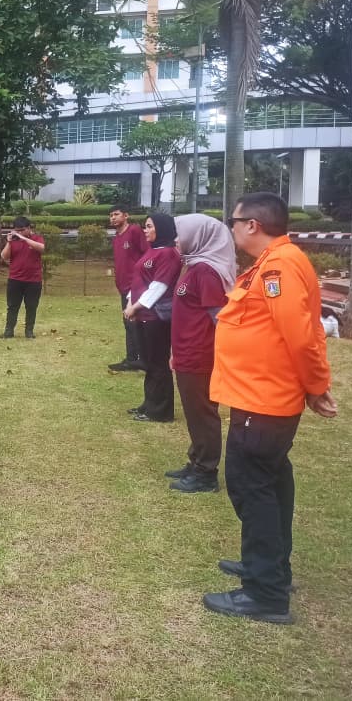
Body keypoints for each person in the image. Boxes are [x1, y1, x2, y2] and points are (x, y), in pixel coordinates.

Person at [202, 193, 336, 625]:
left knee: (252, 487)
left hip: (263, 401)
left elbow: (301, 336)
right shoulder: (272, 264)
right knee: (271, 483)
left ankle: (265, 593)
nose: (231, 227)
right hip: (258, 397)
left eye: (234, 220)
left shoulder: (280, 266)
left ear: (253, 225)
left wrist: (316, 386)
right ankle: (271, 568)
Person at [166, 214, 235, 494]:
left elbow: (220, 318)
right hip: (185, 353)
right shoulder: (193, 267)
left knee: (202, 413)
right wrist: (175, 351)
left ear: (197, 236)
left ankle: (206, 472)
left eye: (180, 234)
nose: (175, 240)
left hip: (199, 356)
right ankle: (196, 460)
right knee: (194, 412)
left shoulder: (206, 271)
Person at [123, 213, 183, 423]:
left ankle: (160, 411)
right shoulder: (152, 250)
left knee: (158, 363)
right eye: (145, 226)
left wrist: (136, 306)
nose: (145, 230)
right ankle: (149, 404)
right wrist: (130, 302)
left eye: (149, 226)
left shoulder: (168, 254)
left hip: (156, 316)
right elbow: (138, 280)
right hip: (142, 314)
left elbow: (159, 286)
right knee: (148, 362)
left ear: (162, 228)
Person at [109, 205, 149, 372]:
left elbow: (147, 253)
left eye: (116, 214)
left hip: (135, 286)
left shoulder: (134, 231)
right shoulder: (117, 238)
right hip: (123, 287)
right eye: (111, 215)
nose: (113, 217)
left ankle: (142, 359)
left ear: (126, 216)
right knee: (128, 323)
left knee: (135, 323)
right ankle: (132, 359)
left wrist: (142, 280)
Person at [0, 216, 46, 340]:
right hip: (15, 279)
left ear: (29, 228)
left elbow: (41, 248)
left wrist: (24, 238)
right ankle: (9, 331)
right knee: (12, 306)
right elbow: (4, 256)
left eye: (22, 230)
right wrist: (9, 242)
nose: (19, 232)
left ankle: (29, 331)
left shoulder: (37, 238)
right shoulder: (13, 241)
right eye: (17, 230)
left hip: (33, 280)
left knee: (31, 306)